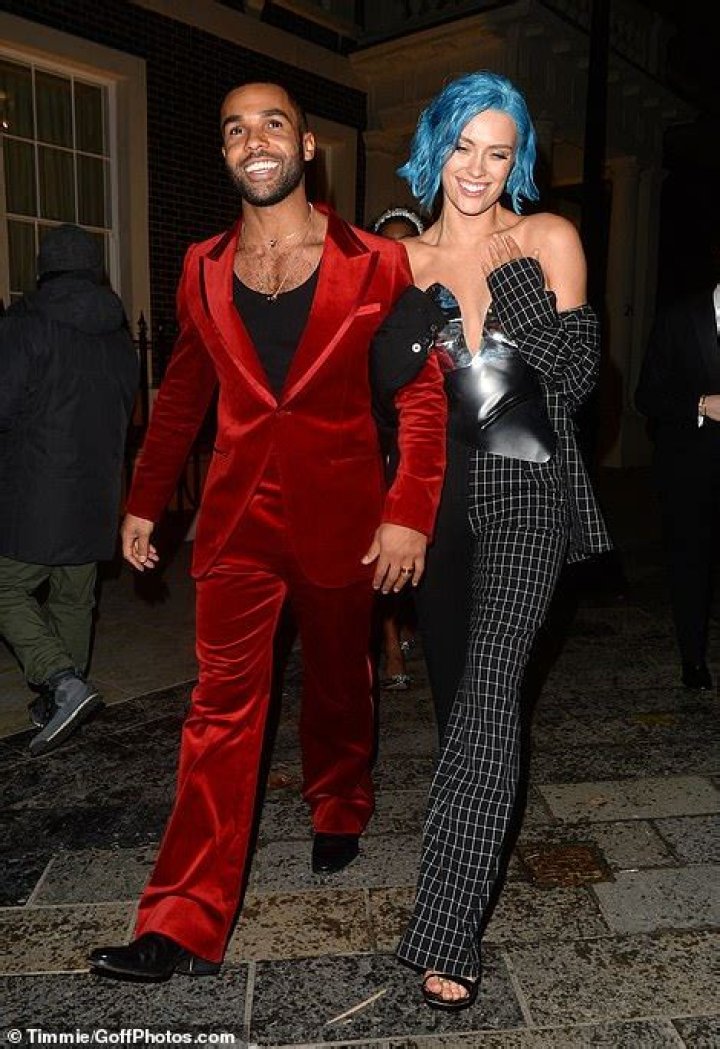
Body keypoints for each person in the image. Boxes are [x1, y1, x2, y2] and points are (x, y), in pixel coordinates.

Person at [88, 81, 447, 983]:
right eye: (235, 129)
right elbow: (183, 389)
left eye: (272, 124)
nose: (255, 140)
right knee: (218, 712)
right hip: (238, 520)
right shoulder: (203, 266)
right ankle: (181, 920)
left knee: (339, 679)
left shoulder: (376, 261)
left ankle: (340, 798)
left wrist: (408, 510)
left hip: (345, 517)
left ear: (306, 146)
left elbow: (421, 396)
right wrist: (145, 496)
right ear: (224, 152)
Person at [392, 71, 613, 1010]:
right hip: (437, 498)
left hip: (526, 486)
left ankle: (447, 928)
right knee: (463, 708)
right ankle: (476, 837)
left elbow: (577, 375)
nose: (478, 168)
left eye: (500, 151)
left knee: (489, 688)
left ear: (518, 161)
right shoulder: (397, 261)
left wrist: (505, 281)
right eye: (463, 145)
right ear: (435, 146)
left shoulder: (548, 238)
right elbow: (373, 390)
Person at [0, 224, 139, 757]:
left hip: (34, 493)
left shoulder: (25, 324)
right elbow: (127, 410)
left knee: (6, 586)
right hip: (96, 493)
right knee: (74, 598)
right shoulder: (118, 336)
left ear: (44, 270)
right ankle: (60, 701)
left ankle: (61, 682)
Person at [634, 249, 720, 693]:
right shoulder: (679, 318)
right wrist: (701, 404)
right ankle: (693, 660)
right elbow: (646, 396)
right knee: (691, 565)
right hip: (690, 467)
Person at [371, 206, 426, 691]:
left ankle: (410, 619)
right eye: (388, 244)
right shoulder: (363, 303)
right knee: (382, 541)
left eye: (406, 242)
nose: (397, 252)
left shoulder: (436, 298)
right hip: (375, 438)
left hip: (424, 437)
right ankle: (389, 642)